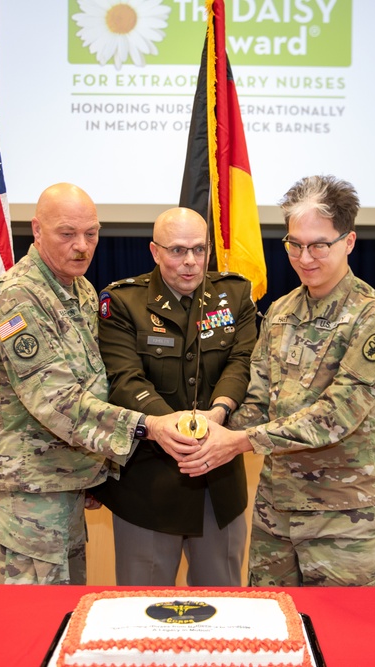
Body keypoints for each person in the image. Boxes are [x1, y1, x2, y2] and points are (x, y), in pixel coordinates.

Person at [178, 175, 375, 587]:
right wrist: (208, 427)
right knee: (275, 642)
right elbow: (257, 400)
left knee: (348, 646)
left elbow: (337, 415)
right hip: (276, 518)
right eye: (294, 244)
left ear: (349, 241)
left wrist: (239, 443)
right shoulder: (283, 311)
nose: (305, 258)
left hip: (345, 524)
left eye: (319, 245)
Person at [0, 183, 197, 585]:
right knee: (31, 623)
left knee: (64, 611)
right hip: (31, 493)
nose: (82, 246)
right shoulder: (19, 298)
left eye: (91, 234)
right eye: (67, 234)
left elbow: (92, 381)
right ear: (37, 230)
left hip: (68, 483)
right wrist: (148, 426)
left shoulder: (80, 289)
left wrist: (96, 469)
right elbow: (56, 400)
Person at [91, 206, 258, 586]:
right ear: (154, 252)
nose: (190, 262)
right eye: (177, 250)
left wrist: (219, 412)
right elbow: (124, 379)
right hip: (148, 486)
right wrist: (170, 426)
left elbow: (242, 362)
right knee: (143, 614)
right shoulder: (122, 303)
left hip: (218, 483)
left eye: (199, 250)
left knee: (224, 612)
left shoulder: (235, 296)